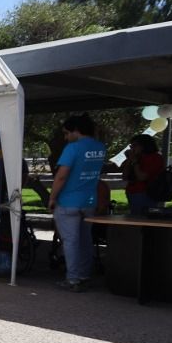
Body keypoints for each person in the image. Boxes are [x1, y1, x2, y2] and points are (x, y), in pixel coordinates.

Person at [49, 114, 106, 292]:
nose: (66, 137)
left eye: (67, 133)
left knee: (70, 241)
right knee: (85, 240)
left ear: (76, 131)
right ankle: (84, 275)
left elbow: (62, 175)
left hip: (68, 200)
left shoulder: (72, 148)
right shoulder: (100, 147)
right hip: (89, 200)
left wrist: (52, 197)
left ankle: (72, 279)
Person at [121, 134, 165, 215]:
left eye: (135, 145)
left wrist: (135, 162)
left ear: (144, 145)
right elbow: (124, 176)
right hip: (132, 192)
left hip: (146, 193)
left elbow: (142, 177)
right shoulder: (136, 157)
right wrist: (129, 160)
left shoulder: (155, 158)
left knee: (144, 218)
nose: (132, 148)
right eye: (131, 146)